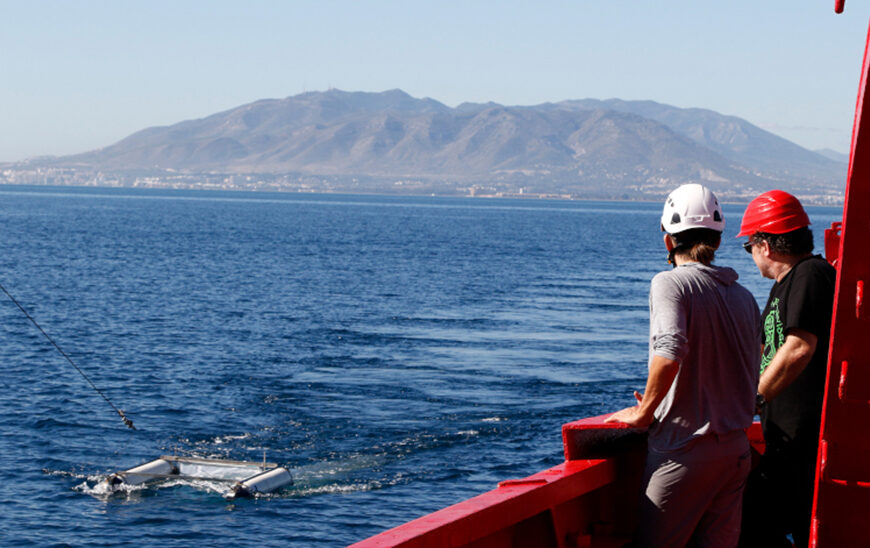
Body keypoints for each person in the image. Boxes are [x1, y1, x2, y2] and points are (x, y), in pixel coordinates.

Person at [607, 183, 761, 548]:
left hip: (685, 450)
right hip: (735, 452)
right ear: (718, 241)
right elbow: (749, 366)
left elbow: (670, 349)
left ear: (668, 241)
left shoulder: (670, 284)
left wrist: (645, 411)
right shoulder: (744, 297)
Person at [736, 190, 836, 548]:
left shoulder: (811, 274)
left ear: (765, 245)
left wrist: (754, 398)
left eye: (748, 246)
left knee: (750, 521)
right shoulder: (785, 286)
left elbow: (798, 347)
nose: (751, 255)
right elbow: (765, 351)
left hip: (805, 444)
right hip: (786, 443)